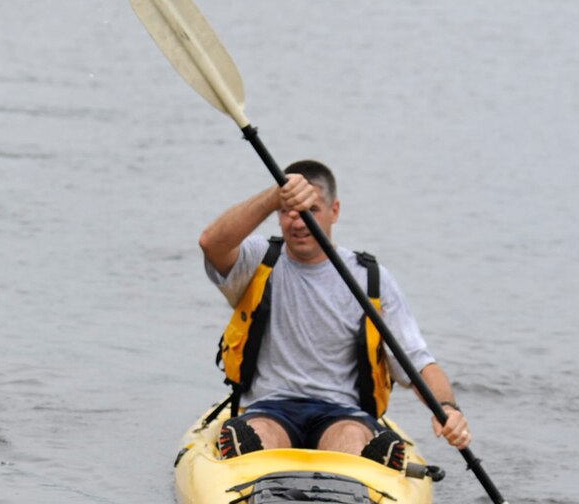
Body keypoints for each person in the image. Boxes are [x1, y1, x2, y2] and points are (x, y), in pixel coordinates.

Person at [197, 160, 473, 466]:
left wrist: (447, 407)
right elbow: (212, 244)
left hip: (343, 414)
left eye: (311, 210)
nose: (298, 222)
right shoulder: (258, 261)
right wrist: (273, 196)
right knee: (256, 434)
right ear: (277, 214)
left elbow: (418, 363)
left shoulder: (371, 279)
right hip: (270, 408)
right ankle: (248, 460)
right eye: (288, 211)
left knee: (351, 442)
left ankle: (369, 463)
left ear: (335, 211)